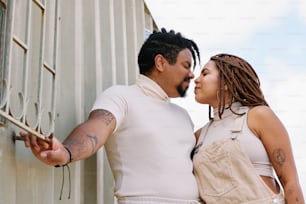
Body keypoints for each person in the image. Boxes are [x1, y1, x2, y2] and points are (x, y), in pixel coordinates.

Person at [20, 28, 202, 204]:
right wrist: (67, 152)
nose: (192, 74)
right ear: (161, 63)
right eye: (186, 66)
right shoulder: (122, 96)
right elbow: (96, 128)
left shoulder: (183, 116)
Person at [191, 53, 305, 204]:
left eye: (205, 73)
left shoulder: (259, 116)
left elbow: (290, 183)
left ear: (226, 82)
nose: (196, 80)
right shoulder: (199, 137)